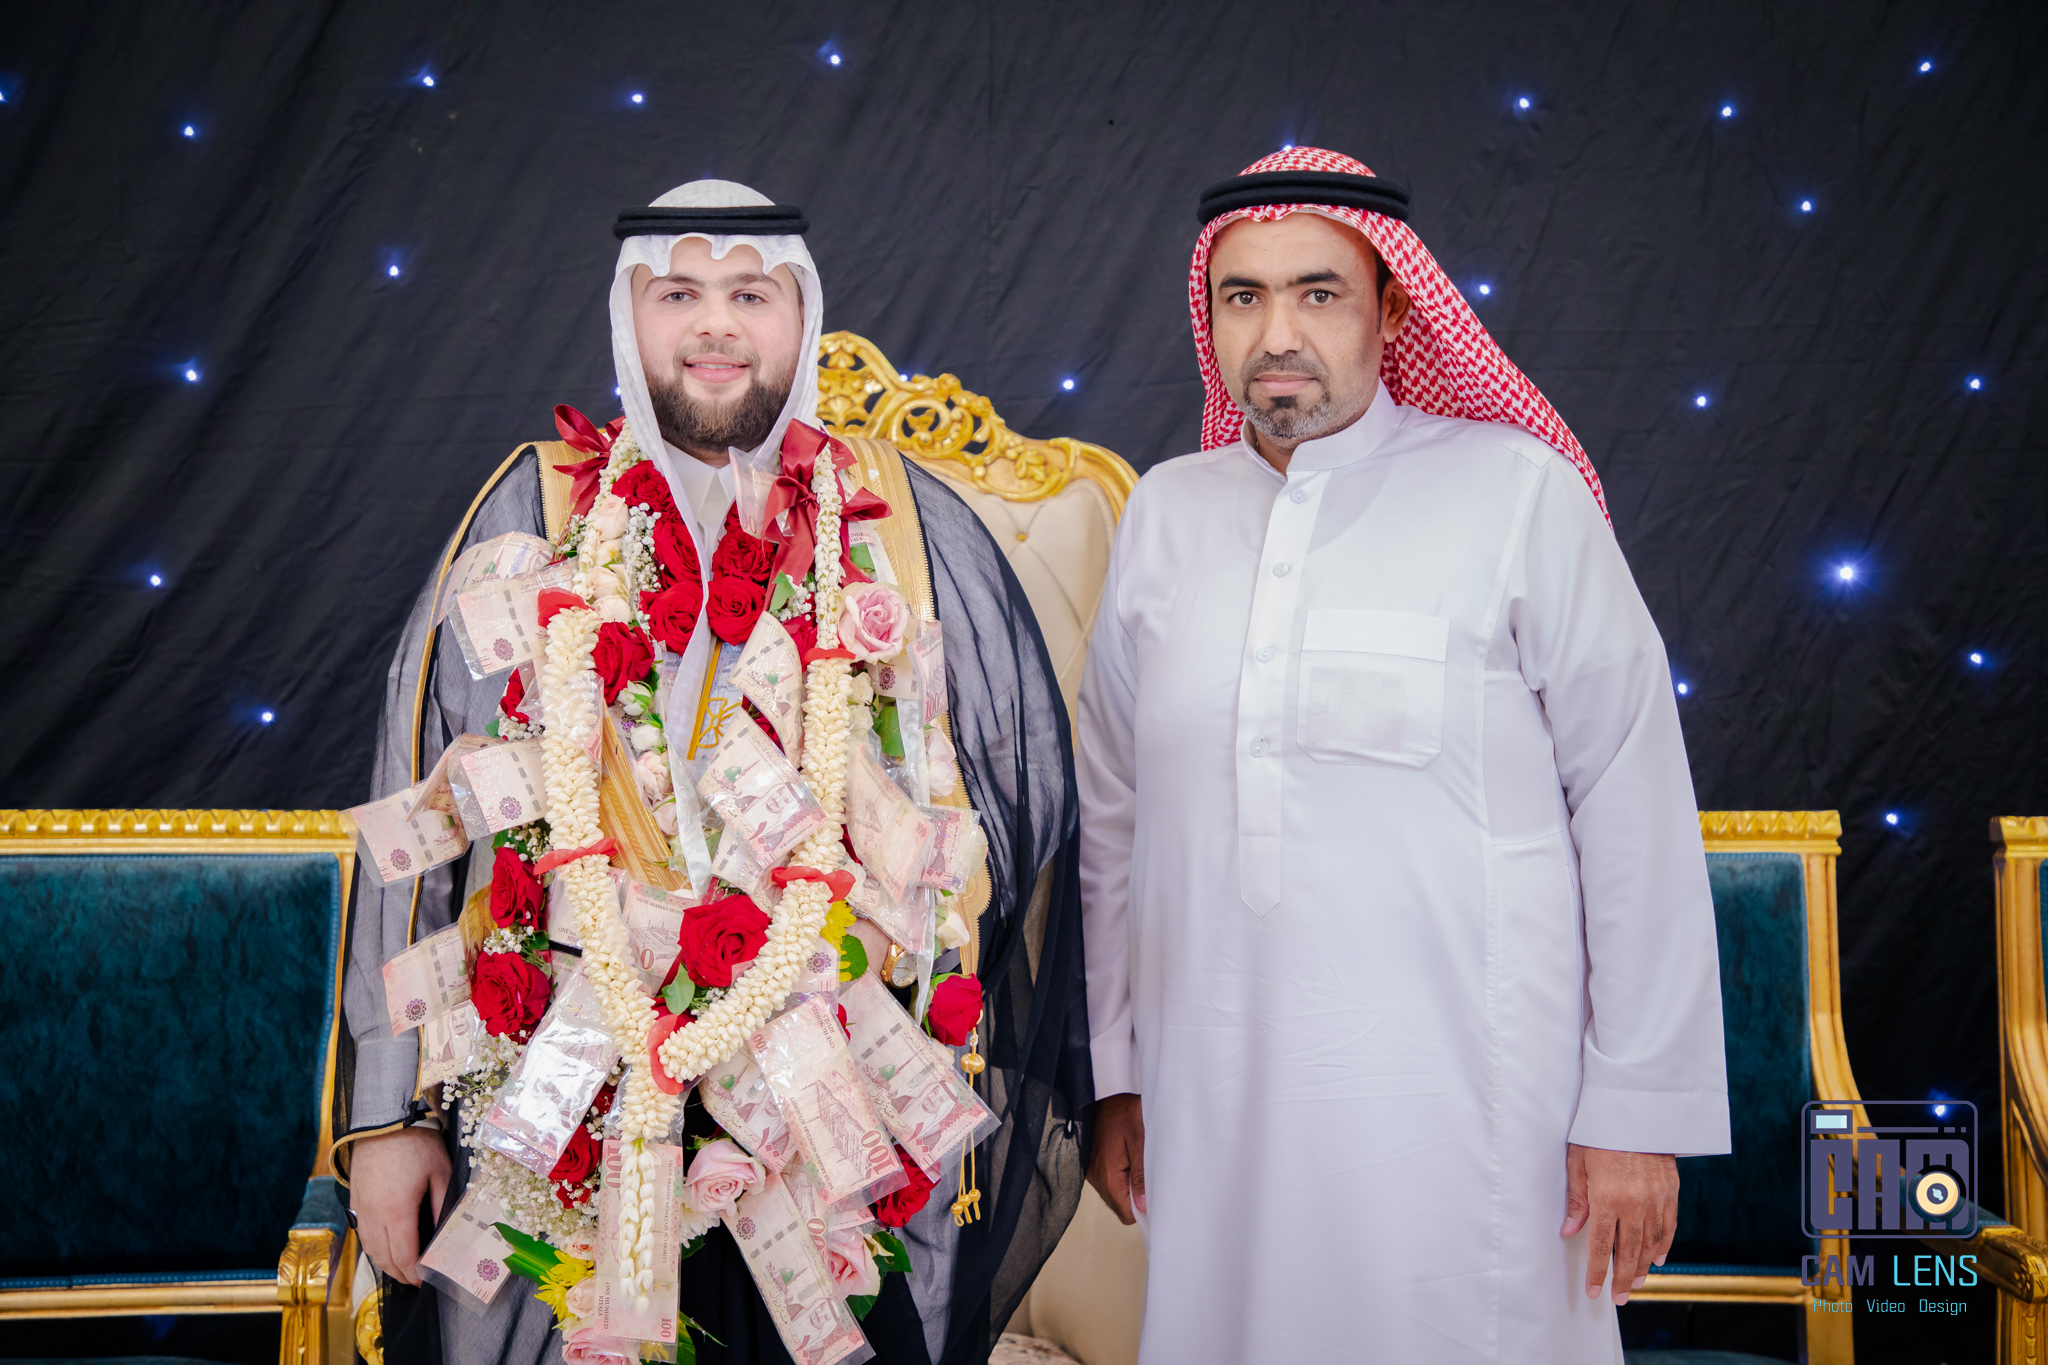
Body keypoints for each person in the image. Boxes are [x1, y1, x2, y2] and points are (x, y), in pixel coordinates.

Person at [338, 178, 1089, 1365]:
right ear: (628, 321)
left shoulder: (900, 523)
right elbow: (418, 812)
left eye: (750, 294)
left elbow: (1011, 801)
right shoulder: (534, 508)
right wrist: (387, 1120)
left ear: (803, 317)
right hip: (564, 1099)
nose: (715, 326)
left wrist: (877, 937)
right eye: (678, 294)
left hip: (820, 1110)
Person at [1077, 147, 1731, 1362]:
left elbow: (1630, 801)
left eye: (1317, 292)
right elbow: (1109, 814)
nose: (1276, 333)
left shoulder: (1517, 494)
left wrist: (1635, 1108)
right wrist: (1115, 1072)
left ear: (1390, 310)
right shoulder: (1165, 510)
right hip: (1210, 1099)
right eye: (1242, 296)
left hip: (1475, 1119)